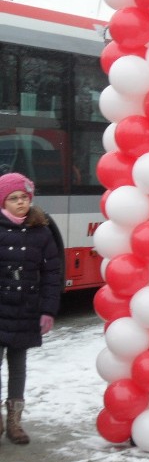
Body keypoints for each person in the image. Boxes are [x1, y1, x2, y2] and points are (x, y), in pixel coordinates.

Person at [0, 172, 62, 445]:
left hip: (26, 309)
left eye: (24, 197)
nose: (20, 203)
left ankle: (14, 421)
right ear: (3, 202)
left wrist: (47, 311)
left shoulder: (42, 230)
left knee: (18, 365)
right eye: (13, 198)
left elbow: (52, 274)